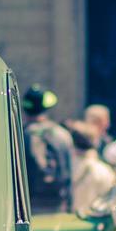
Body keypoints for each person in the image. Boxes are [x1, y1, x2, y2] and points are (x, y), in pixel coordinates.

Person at [21, 85, 75, 213]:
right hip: (58, 203)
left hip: (29, 205)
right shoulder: (62, 134)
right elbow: (69, 172)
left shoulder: (20, 136)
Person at [66, 121, 116, 216]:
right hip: (94, 222)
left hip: (68, 221)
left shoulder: (66, 166)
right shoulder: (105, 170)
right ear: (95, 141)